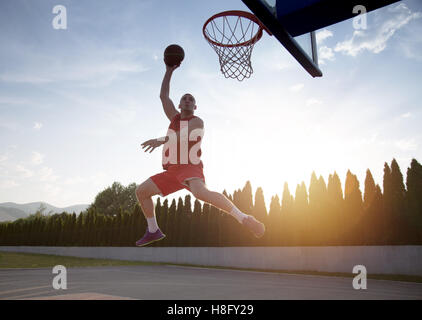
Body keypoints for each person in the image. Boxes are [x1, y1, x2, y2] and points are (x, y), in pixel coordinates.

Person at [135, 63, 265, 247]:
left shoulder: (197, 121)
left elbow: (184, 136)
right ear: (179, 105)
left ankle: (243, 218)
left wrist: (161, 140)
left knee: (200, 193)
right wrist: (169, 70)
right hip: (172, 171)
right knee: (141, 191)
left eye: (191, 99)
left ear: (195, 106)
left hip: (189, 166)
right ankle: (153, 230)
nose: (187, 100)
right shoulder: (174, 118)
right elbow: (163, 96)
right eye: (184, 99)